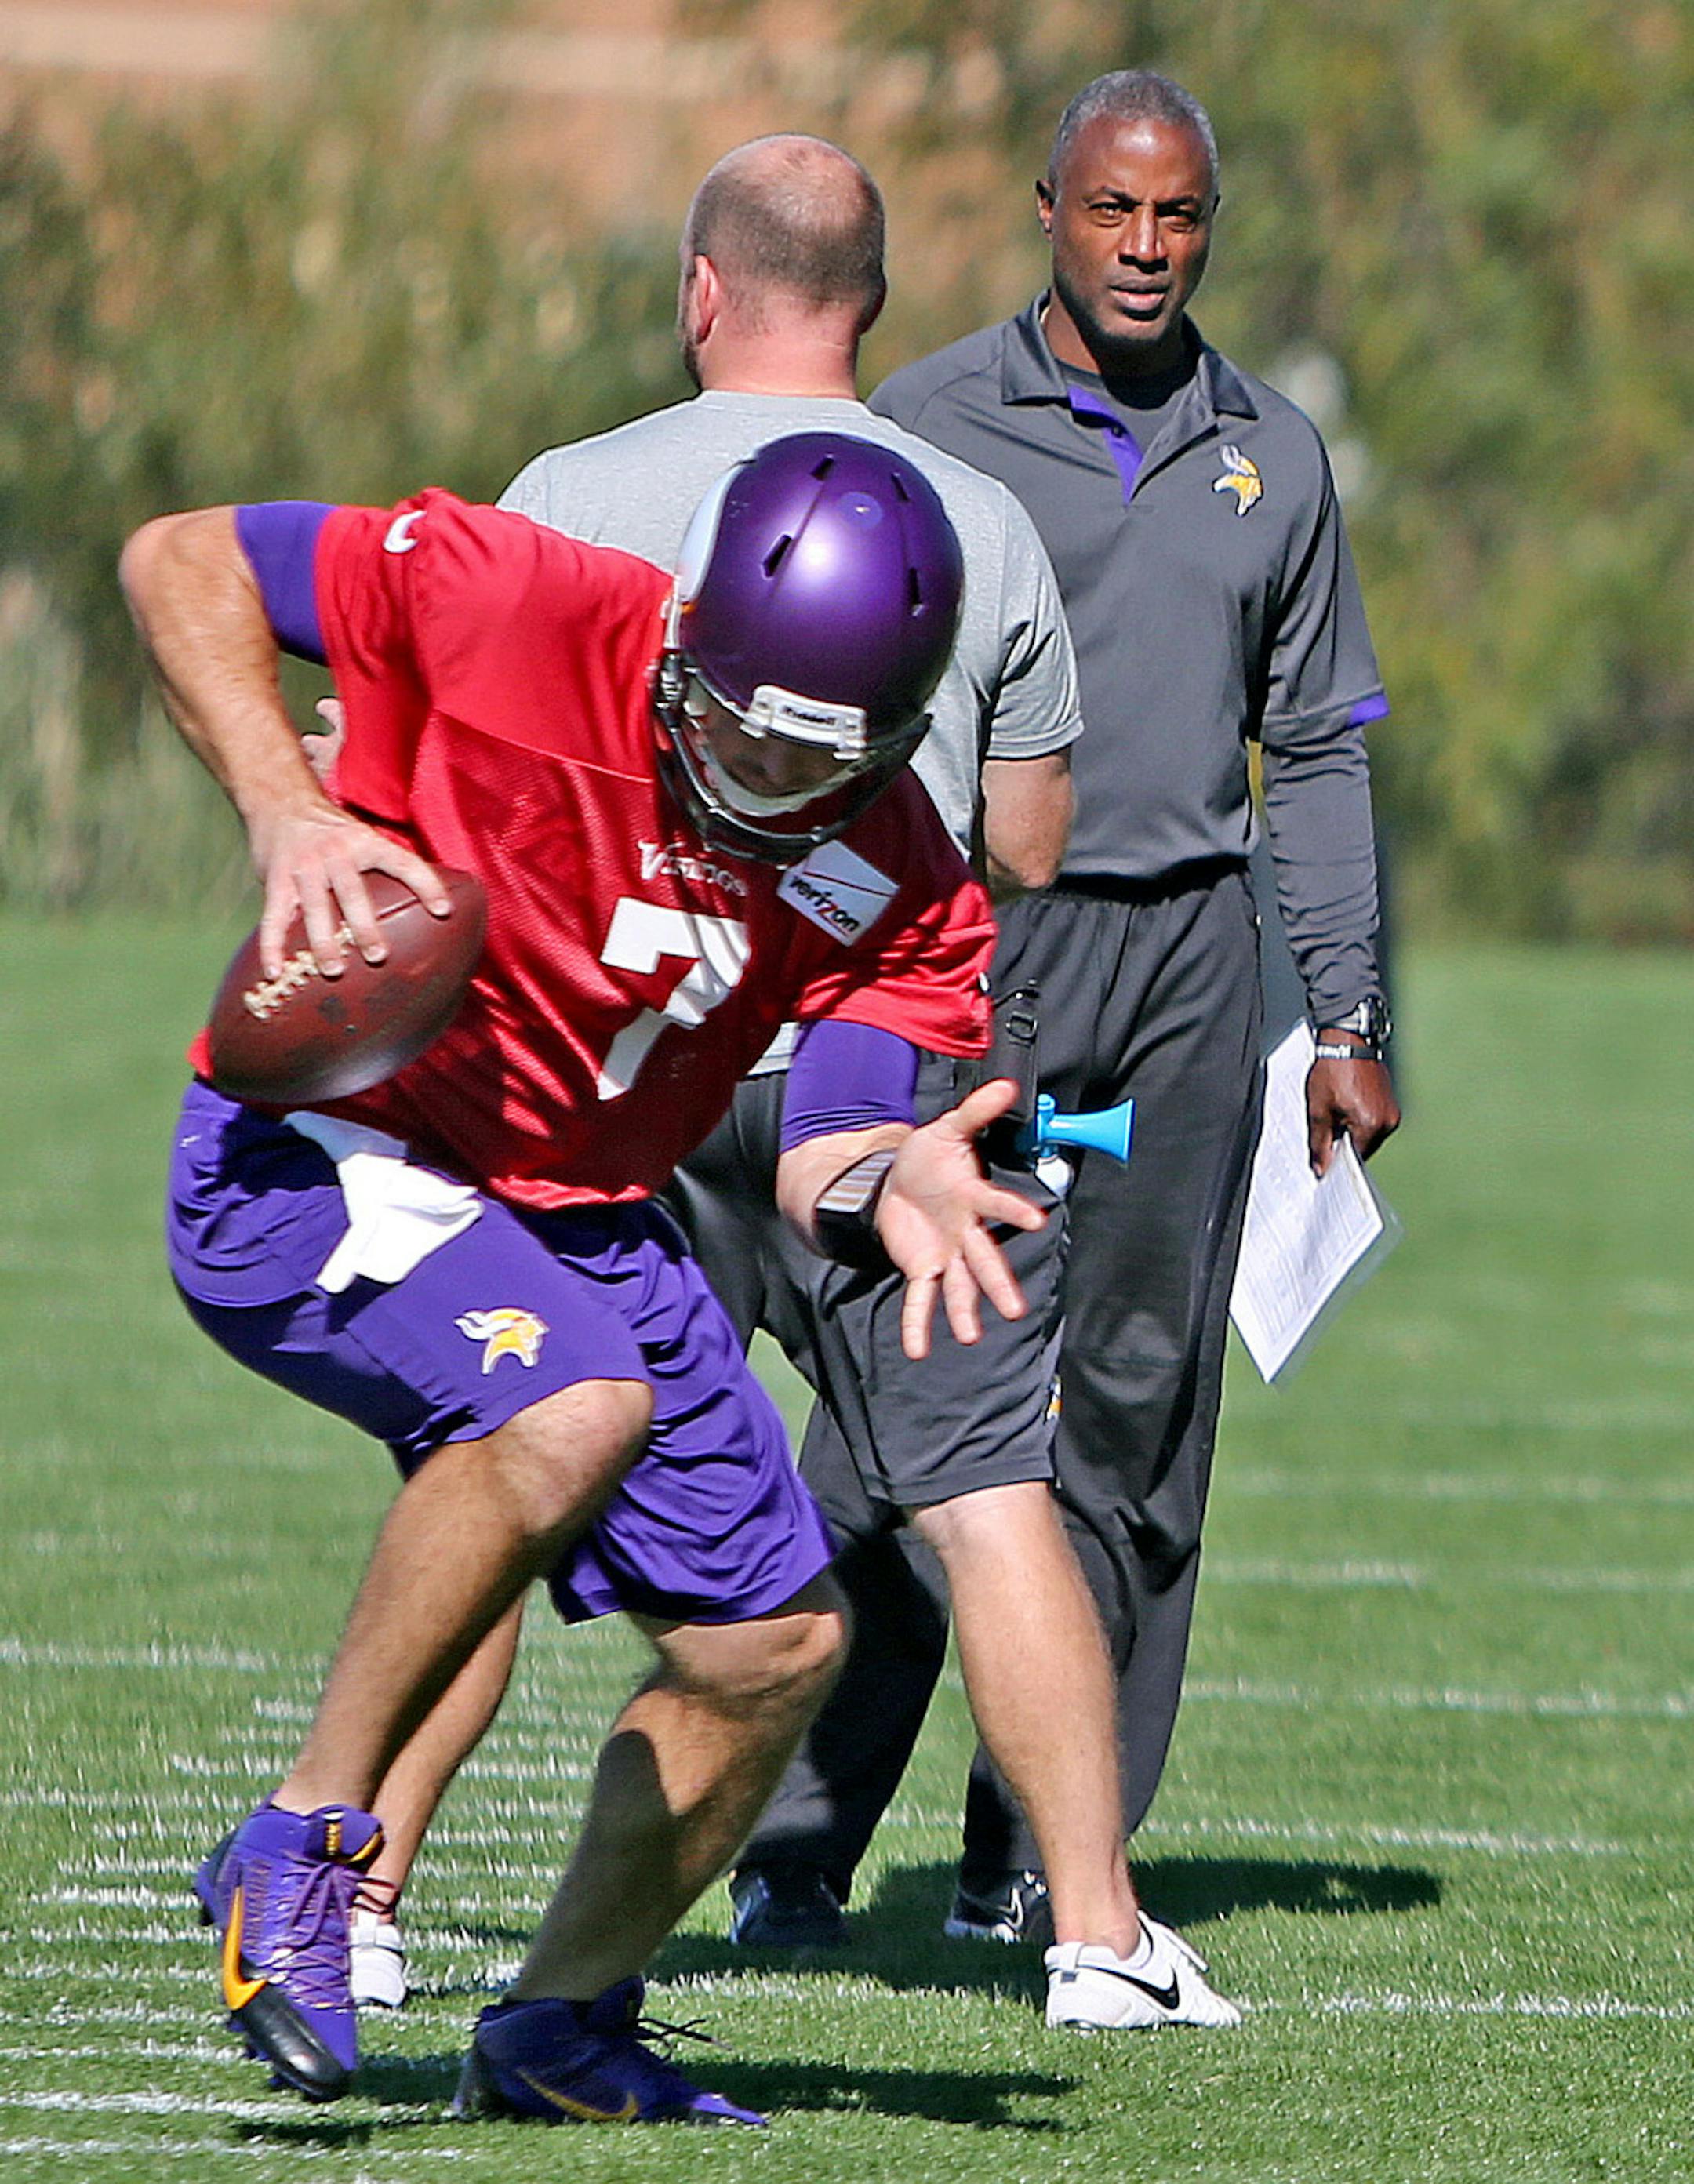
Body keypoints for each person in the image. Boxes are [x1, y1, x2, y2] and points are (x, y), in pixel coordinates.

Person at [328, 134, 1240, 2036]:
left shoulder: (568, 490)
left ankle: (371, 1894)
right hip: (880, 1068)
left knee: (501, 1477)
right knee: (991, 1485)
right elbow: (1034, 843)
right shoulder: (974, 512)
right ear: (876, 309)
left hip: (623, 1062)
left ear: (696, 290)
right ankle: (1095, 1935)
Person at [122, 430, 1052, 2124]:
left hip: (572, 1205)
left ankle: (559, 2023)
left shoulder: (901, 869)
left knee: (773, 1642)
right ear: (685, 632)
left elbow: (829, 1132)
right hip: (322, 1145)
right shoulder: (508, 599)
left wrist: (891, 1176)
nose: (768, 787)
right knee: (576, 1401)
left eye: (818, 761)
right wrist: (287, 808)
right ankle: (302, 1842)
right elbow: (179, 556)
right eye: (743, 731)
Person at [733, 71, 1401, 1949]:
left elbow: (1324, 753)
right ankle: (794, 1843)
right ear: (1048, 210)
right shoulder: (928, 421)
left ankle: (1034, 1856)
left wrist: (1343, 1009)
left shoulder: (1273, 451)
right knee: (900, 1409)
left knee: (1132, 1410)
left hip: (1192, 968)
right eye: (1111, 211)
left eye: (1176, 217)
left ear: (1210, 227)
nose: (1144, 246)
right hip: (979, 956)